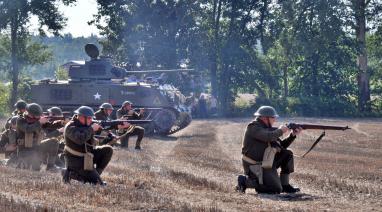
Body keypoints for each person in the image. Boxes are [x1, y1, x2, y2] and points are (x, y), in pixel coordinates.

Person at [236, 106, 303, 194]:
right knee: (275, 189)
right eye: (273, 117)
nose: (275, 120)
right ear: (264, 117)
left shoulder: (267, 129)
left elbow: (281, 146)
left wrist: (292, 135)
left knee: (287, 154)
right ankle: (245, 181)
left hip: (267, 162)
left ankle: (285, 185)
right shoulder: (253, 127)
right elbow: (268, 137)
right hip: (255, 165)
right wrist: (281, 131)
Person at [62, 106, 113, 185]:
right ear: (81, 117)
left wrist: (113, 128)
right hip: (75, 160)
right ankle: (70, 173)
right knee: (99, 184)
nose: (91, 120)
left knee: (108, 150)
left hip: (87, 156)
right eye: (89, 118)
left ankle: (95, 174)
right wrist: (92, 129)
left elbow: (97, 136)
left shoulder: (86, 125)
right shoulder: (71, 127)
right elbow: (80, 140)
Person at [12, 103, 60, 172]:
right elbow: (28, 129)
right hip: (25, 151)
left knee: (54, 142)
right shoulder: (20, 120)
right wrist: (39, 122)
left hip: (37, 147)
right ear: (31, 114)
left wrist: (60, 123)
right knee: (35, 168)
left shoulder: (37, 121)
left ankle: (50, 166)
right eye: (37, 115)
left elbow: (50, 125)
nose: (39, 116)